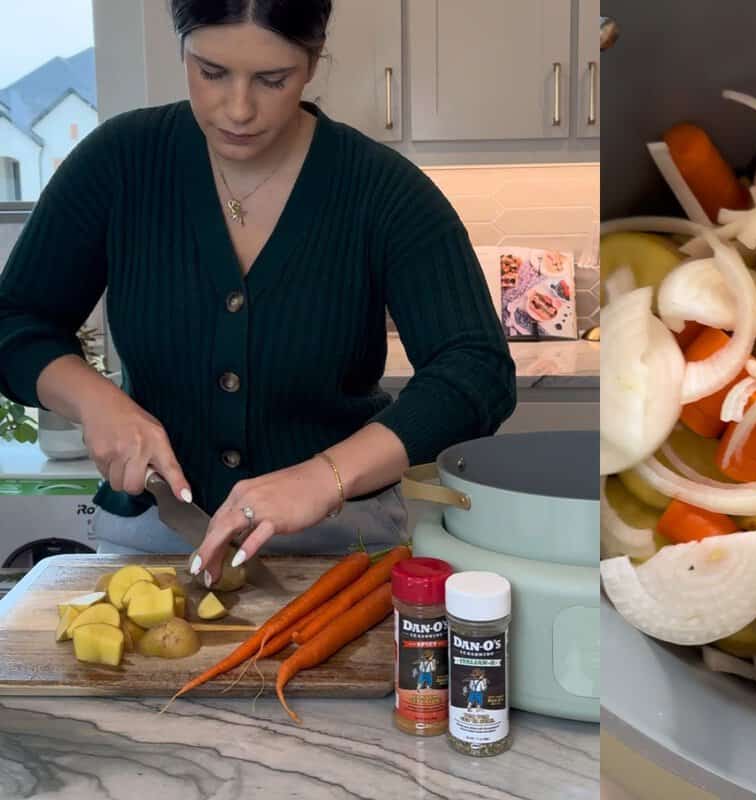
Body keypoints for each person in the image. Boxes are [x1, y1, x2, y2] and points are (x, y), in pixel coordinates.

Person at [0, 0, 515, 586]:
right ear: (181, 45)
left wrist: (324, 478)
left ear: (314, 59)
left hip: (341, 550)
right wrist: (96, 402)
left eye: (273, 80)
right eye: (211, 72)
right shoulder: (118, 165)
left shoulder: (383, 191)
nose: (238, 110)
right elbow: (15, 322)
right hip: (150, 543)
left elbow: (477, 371)